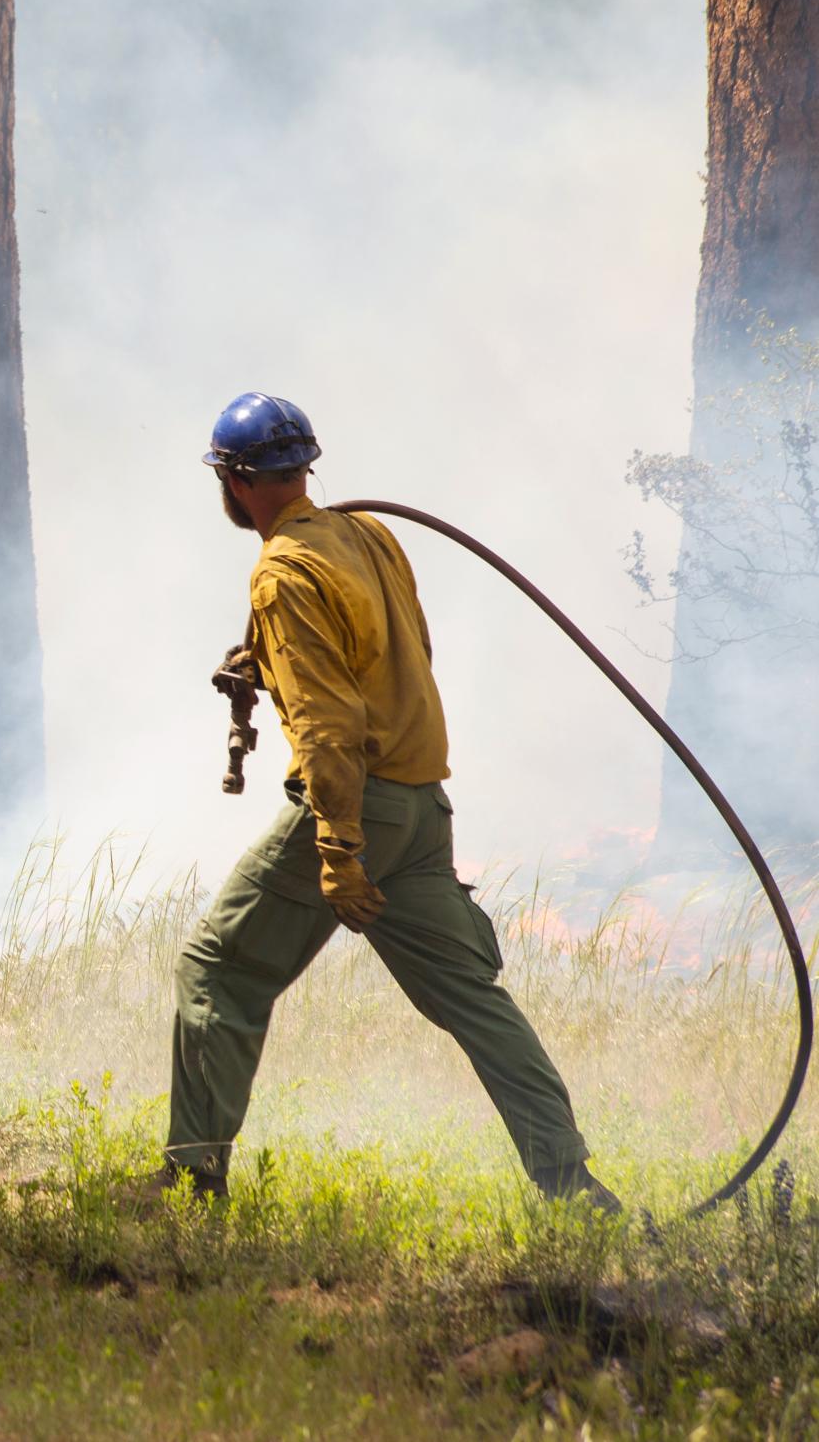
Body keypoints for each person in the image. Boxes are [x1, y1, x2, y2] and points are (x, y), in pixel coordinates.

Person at [156, 391, 619, 1211]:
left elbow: (330, 726)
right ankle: (572, 1185)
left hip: (355, 808)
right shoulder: (367, 534)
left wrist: (337, 850)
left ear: (233, 481)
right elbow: (398, 654)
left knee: (217, 967)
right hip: (419, 805)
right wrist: (267, 659)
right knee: (474, 1002)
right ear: (302, 467)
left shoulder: (281, 571)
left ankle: (191, 1187)